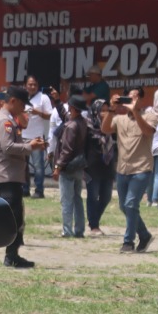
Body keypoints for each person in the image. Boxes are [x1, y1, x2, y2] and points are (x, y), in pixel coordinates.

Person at [0, 86, 42, 268]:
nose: (23, 109)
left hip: (12, 175)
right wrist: (30, 147)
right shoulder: (4, 121)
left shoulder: (10, 119)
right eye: (23, 104)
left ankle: (11, 254)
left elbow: (13, 143)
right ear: (14, 101)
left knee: (14, 217)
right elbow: (7, 147)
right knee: (8, 217)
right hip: (6, 175)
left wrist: (30, 143)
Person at [103, 86, 158, 253]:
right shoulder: (119, 118)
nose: (132, 101)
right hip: (122, 169)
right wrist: (111, 109)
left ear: (141, 100)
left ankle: (128, 242)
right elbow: (105, 129)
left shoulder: (149, 116)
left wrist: (135, 112)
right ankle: (144, 234)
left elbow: (148, 131)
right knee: (124, 206)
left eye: (135, 98)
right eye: (129, 98)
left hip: (142, 168)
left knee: (130, 204)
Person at [51, 94, 91, 238]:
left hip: (68, 167)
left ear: (72, 108)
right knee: (77, 199)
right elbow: (65, 115)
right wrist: (57, 102)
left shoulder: (70, 126)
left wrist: (57, 167)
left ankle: (67, 230)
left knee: (66, 200)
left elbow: (66, 150)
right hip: (79, 166)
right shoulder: (82, 122)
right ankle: (80, 230)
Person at [82, 98, 116, 236]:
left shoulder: (112, 127)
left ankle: (93, 219)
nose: (104, 113)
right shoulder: (88, 127)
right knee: (93, 196)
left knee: (106, 196)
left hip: (107, 167)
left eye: (107, 110)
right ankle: (94, 226)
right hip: (92, 167)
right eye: (102, 110)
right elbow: (82, 146)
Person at [21, 74, 54, 198]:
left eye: (35, 84)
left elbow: (50, 116)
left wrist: (37, 112)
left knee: (38, 166)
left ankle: (39, 190)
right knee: (23, 165)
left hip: (37, 136)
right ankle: (25, 189)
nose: (32, 86)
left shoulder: (43, 98)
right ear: (25, 85)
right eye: (30, 84)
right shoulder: (21, 97)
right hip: (23, 136)